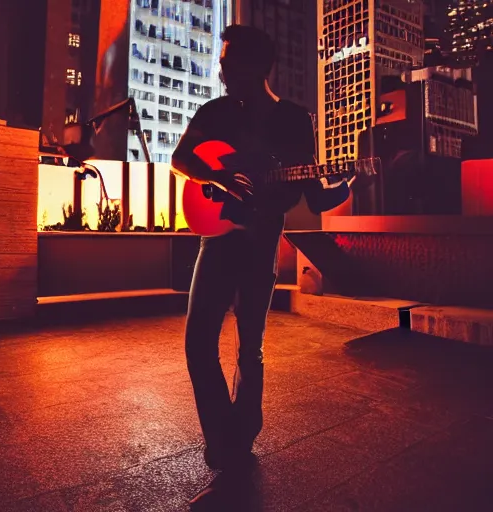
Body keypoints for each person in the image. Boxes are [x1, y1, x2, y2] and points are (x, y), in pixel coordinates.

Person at [171, 23, 352, 506]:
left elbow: (314, 197)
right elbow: (180, 158)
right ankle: (226, 446)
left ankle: (236, 444)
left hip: (260, 245)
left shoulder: (295, 120)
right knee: (197, 344)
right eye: (222, 61)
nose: (222, 69)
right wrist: (220, 178)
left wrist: (346, 184)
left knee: (249, 350)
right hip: (216, 239)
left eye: (229, 61)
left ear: (257, 65)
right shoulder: (215, 111)